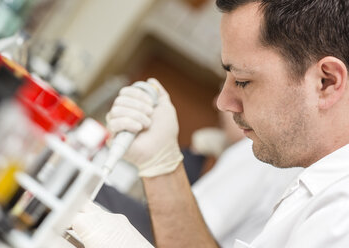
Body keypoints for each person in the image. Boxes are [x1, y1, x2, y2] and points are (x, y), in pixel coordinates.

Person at [72, 0, 349, 247]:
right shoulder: (314, 177)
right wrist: (161, 163)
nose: (223, 102)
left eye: (243, 81)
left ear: (326, 82)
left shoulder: (340, 215)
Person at [93, 111, 302, 247]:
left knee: (90, 191)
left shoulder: (257, 154)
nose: (219, 104)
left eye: (242, 82)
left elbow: (179, 231)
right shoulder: (285, 160)